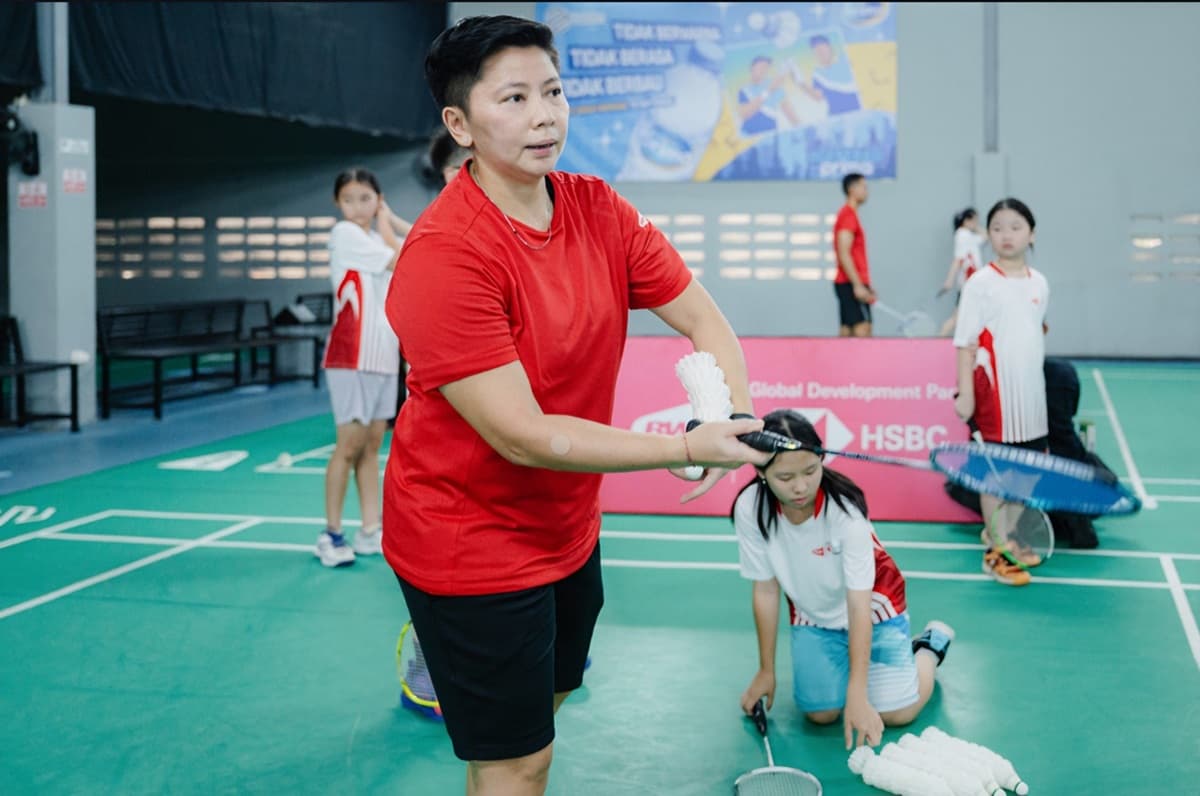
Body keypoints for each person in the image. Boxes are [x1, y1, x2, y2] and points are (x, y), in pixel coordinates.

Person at [382, 16, 772, 796]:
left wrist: (728, 410)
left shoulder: (599, 208)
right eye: (515, 98)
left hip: (566, 528)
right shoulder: (445, 255)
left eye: (554, 92)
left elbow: (701, 317)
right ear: (459, 124)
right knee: (519, 761)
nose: (544, 115)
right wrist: (688, 448)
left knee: (539, 724)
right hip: (469, 542)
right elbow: (523, 436)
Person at [734, 409, 954, 750]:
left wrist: (857, 692)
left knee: (898, 713)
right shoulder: (751, 509)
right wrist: (766, 670)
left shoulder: (845, 513)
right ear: (761, 472)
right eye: (785, 477)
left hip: (874, 606)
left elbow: (858, 603)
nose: (801, 486)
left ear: (822, 459)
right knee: (820, 714)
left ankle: (928, 647)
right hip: (813, 612)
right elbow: (765, 589)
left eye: (810, 470)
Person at [313, 168, 412, 568]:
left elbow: (425, 245)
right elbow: (404, 256)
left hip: (384, 356)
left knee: (372, 447)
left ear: (378, 199)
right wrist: (388, 220)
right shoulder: (346, 235)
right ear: (338, 203)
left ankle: (370, 529)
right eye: (349, 199)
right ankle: (331, 533)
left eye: (366, 199)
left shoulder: (374, 236)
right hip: (351, 355)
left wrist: (389, 221)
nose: (357, 207)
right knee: (348, 447)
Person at [952, 198, 1050, 586]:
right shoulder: (980, 282)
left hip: (1032, 397)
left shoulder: (1040, 283)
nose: (1006, 235)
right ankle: (996, 551)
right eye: (997, 228)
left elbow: (1035, 332)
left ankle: (1004, 535)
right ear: (987, 234)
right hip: (994, 396)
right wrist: (965, 395)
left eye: (1015, 227)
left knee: (1025, 475)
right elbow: (965, 342)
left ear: (1031, 234)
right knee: (996, 476)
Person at [833, 172, 875, 337]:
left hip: (850, 282)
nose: (867, 191)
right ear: (852, 189)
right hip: (849, 283)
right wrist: (858, 285)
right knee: (862, 329)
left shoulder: (849, 215)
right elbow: (844, 253)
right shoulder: (847, 216)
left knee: (847, 332)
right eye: (863, 187)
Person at [938, 207, 985, 337]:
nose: (977, 223)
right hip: (969, 284)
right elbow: (958, 260)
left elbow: (985, 236)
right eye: (975, 219)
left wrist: (975, 226)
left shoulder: (968, 236)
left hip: (974, 284)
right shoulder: (962, 235)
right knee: (957, 318)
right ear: (966, 220)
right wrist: (949, 281)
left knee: (964, 317)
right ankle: (937, 341)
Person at [737, 55, 800, 137]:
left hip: (770, 136)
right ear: (752, 68)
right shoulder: (744, 90)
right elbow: (744, 114)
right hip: (748, 137)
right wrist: (769, 91)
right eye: (761, 67)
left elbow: (791, 115)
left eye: (766, 68)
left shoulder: (775, 85)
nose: (763, 70)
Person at [799, 34, 862, 116]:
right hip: (837, 115)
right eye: (817, 52)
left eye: (822, 50)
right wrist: (800, 82)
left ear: (830, 48)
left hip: (860, 110)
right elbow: (818, 97)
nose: (820, 54)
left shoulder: (846, 59)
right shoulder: (818, 74)